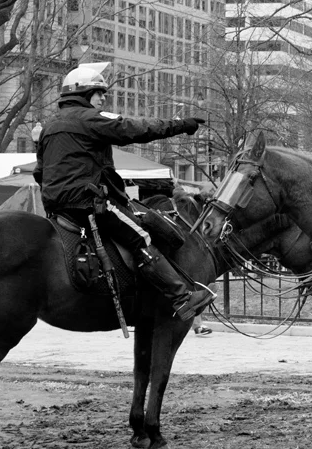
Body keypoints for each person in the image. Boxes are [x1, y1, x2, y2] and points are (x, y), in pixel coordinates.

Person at [35, 63, 214, 322]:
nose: (103, 98)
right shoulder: (90, 120)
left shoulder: (49, 128)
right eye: (98, 93)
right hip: (88, 202)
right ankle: (181, 297)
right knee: (141, 236)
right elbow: (136, 128)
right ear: (83, 95)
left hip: (57, 207)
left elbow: (40, 173)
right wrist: (179, 124)